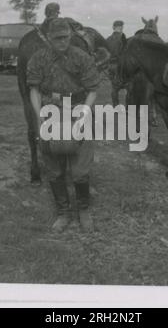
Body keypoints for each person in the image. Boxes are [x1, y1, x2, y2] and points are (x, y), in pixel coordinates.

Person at [26, 18, 101, 233]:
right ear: (49, 38)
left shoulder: (81, 57)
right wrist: (39, 115)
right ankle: (63, 213)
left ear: (70, 36)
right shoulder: (38, 58)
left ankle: (84, 211)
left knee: (80, 169)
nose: (62, 41)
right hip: (50, 111)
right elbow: (34, 89)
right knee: (53, 167)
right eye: (57, 38)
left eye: (66, 37)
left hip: (78, 108)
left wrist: (83, 115)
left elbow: (93, 90)